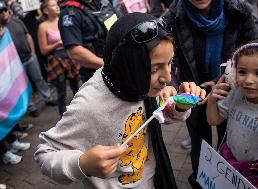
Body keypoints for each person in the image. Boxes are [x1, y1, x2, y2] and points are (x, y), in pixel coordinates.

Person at [35, 13, 206, 189]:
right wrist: (83, 164)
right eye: (155, 69)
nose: (167, 77)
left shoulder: (138, 84)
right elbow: (45, 153)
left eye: (170, 62)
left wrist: (178, 106)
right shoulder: (90, 105)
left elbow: (158, 117)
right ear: (128, 65)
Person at [164, 0, 258, 187]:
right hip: (191, 88)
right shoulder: (172, 16)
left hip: (230, 87)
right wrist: (167, 84)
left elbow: (252, 52)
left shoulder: (240, 11)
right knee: (199, 141)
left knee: (230, 140)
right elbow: (165, 53)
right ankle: (200, 181)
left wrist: (220, 81)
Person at [207, 41, 258, 188]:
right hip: (230, 166)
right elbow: (213, 120)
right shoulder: (237, 93)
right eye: (242, 72)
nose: (248, 80)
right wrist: (212, 100)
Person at [0, 1, 57, 117]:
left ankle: (48, 98)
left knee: (39, 79)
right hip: (15, 64)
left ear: (7, 10)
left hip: (29, 57)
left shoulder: (17, 21)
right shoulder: (0, 29)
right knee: (22, 86)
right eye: (0, 12)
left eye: (4, 10)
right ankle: (31, 107)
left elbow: (28, 35)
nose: (3, 13)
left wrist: (32, 52)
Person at [38, 0, 80, 117]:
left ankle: (81, 112)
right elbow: (43, 50)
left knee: (77, 88)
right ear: (46, 11)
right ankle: (64, 118)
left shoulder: (64, 19)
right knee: (61, 92)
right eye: (53, 5)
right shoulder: (43, 26)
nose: (57, 7)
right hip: (56, 59)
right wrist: (58, 44)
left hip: (70, 56)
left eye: (57, 5)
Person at [58, 0, 109, 83]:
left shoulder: (102, 4)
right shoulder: (69, 13)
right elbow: (75, 52)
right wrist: (109, 66)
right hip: (97, 75)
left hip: (120, 64)